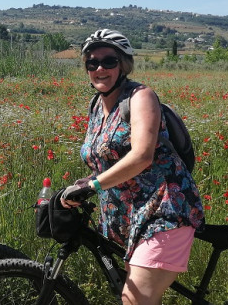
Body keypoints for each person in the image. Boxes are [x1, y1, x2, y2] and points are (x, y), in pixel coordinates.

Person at [59, 29, 205, 305]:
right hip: (130, 218)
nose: (99, 68)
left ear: (123, 64)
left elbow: (141, 156)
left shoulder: (140, 97)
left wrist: (93, 185)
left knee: (133, 300)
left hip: (164, 212)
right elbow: (105, 164)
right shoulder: (96, 106)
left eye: (108, 61)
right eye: (92, 62)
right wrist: (78, 187)